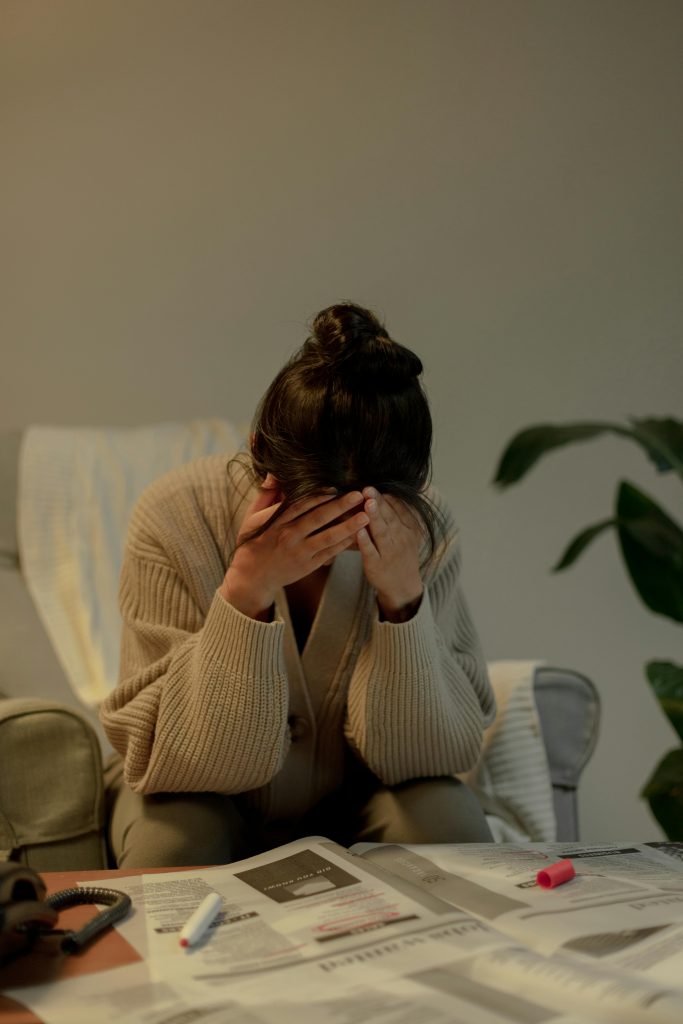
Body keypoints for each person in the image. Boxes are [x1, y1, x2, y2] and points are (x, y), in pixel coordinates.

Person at [100, 302, 496, 867]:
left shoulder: (422, 525)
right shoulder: (176, 513)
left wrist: (403, 601)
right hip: (191, 789)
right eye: (316, 502)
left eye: (370, 504)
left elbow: (430, 758)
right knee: (175, 844)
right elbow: (179, 758)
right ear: (259, 452)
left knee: (447, 821)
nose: (343, 526)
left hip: (359, 796)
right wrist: (246, 592)